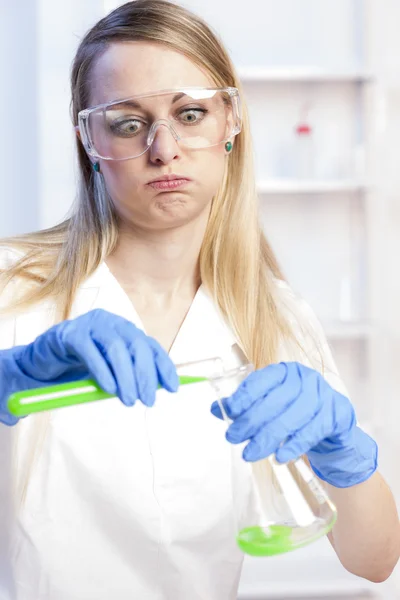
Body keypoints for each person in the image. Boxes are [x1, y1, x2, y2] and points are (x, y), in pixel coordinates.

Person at [0, 1, 398, 598]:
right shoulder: (12, 284)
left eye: (189, 113)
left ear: (230, 123)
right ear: (89, 140)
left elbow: (374, 560)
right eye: (128, 123)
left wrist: (345, 452)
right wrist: (10, 378)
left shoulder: (275, 317)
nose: (164, 150)